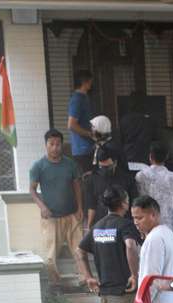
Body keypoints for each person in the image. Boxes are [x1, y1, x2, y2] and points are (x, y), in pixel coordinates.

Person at [29, 129, 84, 283]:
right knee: (49, 257)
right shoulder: (38, 166)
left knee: (80, 250)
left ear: (62, 145)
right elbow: (32, 190)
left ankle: (84, 280)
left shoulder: (70, 164)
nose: (55, 147)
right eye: (51, 144)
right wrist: (42, 207)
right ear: (46, 145)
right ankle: (55, 284)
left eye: (58, 144)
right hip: (51, 218)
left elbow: (77, 187)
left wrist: (80, 208)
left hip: (72, 215)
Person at [82, 143, 136, 230]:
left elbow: (134, 203)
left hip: (123, 225)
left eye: (108, 167)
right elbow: (91, 205)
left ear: (115, 163)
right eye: (101, 167)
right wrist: (89, 226)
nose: (104, 170)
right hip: (101, 225)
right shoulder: (92, 180)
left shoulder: (127, 179)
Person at [135, 141, 173, 234]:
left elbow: (138, 198)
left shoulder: (140, 176)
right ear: (166, 157)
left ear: (150, 156)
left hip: (147, 224)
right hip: (168, 226)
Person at [67, 70, 96, 173]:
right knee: (87, 179)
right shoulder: (77, 99)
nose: (91, 83)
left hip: (88, 148)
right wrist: (90, 134)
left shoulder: (84, 98)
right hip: (82, 149)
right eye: (90, 81)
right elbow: (71, 125)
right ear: (84, 82)